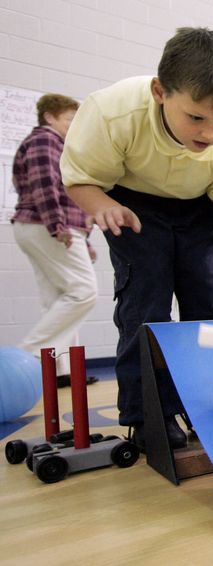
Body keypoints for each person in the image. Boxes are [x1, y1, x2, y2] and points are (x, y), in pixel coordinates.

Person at [61, 27, 213, 449]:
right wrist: (100, 204)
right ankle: (149, 415)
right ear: (159, 92)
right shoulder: (112, 112)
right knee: (146, 304)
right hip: (131, 204)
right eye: (196, 118)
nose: (210, 134)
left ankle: (212, 408)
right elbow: (79, 179)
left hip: (199, 208)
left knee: (205, 305)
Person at [12, 93, 99, 388]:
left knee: (57, 301)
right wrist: (56, 224)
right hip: (43, 225)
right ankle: (25, 355)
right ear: (49, 117)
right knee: (84, 291)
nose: (74, 126)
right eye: (69, 119)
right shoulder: (45, 140)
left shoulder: (55, 144)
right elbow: (45, 184)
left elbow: (70, 199)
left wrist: (84, 241)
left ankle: (60, 370)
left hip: (41, 226)